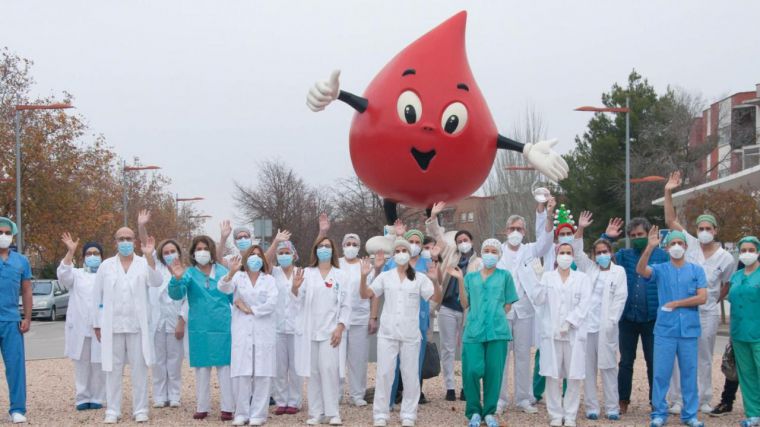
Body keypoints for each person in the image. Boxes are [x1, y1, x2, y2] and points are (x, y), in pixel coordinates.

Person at [663, 171, 736, 414]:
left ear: (715, 230)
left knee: (703, 357)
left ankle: (704, 399)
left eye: (708, 228)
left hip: (707, 312)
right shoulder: (690, 244)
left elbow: (727, 283)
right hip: (685, 309)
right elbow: (671, 221)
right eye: (700, 227)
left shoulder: (725, 257)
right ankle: (678, 399)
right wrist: (668, 192)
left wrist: (715, 298)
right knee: (679, 355)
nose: (704, 231)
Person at [360, 239, 442, 427]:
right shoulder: (385, 276)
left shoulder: (420, 278)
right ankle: (380, 414)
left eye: (404, 249)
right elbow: (365, 294)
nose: (401, 252)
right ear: (393, 254)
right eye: (397, 250)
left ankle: (408, 414)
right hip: (387, 334)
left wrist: (436, 281)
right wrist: (365, 276)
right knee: (384, 374)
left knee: (410, 374)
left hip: (411, 334)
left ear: (410, 252)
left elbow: (436, 298)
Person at [636, 227, 707, 427]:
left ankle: (690, 414)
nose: (677, 247)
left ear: (686, 246)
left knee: (689, 372)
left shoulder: (696, 270)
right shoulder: (660, 269)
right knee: (661, 372)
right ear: (666, 248)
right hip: (665, 330)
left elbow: (702, 297)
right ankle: (659, 413)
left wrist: (677, 303)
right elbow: (641, 270)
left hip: (689, 330)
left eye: (680, 243)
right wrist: (650, 247)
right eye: (673, 244)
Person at [93, 226, 163, 424]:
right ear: (115, 242)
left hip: (137, 327)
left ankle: (140, 409)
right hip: (112, 326)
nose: (125, 242)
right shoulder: (106, 266)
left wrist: (150, 256)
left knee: (139, 369)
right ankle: (113, 410)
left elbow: (156, 281)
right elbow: (96, 296)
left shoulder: (143, 263)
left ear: (134, 242)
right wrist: (96, 324)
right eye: (121, 239)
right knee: (112, 370)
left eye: (128, 238)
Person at [602, 216, 669, 414]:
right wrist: (608, 237)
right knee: (625, 362)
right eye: (633, 235)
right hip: (628, 318)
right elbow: (602, 256)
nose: (637, 238)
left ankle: (655, 401)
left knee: (653, 361)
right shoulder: (624, 255)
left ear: (648, 234)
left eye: (640, 234)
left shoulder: (662, 257)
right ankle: (622, 400)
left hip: (652, 318)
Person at [449, 238, 518, 427]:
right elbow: (464, 304)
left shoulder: (505, 276)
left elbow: (509, 303)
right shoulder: (471, 278)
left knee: (494, 373)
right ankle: (473, 412)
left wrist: (495, 316)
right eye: (486, 250)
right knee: (472, 370)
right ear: (481, 252)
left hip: (497, 332)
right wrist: (461, 280)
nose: (489, 254)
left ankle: (489, 412)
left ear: (498, 255)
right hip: (474, 330)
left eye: (493, 251)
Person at [496, 197, 556, 414]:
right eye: (512, 228)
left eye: (519, 228)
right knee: (501, 357)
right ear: (505, 231)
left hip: (524, 311)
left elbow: (546, 241)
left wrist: (547, 213)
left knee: (522, 356)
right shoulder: (497, 251)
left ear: (524, 231)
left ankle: (523, 398)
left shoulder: (530, 250)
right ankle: (499, 399)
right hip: (502, 312)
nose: (515, 232)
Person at [167, 235, 234, 421]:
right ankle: (202, 406)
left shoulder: (222, 271)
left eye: (205, 248)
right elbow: (176, 294)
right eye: (198, 249)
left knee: (224, 367)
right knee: (202, 368)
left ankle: (228, 407)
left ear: (211, 251)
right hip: (199, 327)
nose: (201, 252)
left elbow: (233, 297)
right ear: (193, 253)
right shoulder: (188, 273)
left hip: (221, 326)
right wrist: (176, 278)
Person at [573, 212, 628, 420]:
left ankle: (612, 407)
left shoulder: (619, 272)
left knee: (609, 368)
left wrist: (612, 322)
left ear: (610, 253)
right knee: (588, 370)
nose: (602, 255)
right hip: (587, 328)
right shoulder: (589, 268)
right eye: (599, 252)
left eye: (605, 251)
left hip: (606, 328)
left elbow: (620, 298)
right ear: (594, 255)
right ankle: (591, 407)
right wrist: (581, 228)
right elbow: (577, 252)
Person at [425, 202, 482, 402]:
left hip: (468, 311)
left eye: (465, 239)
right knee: (448, 348)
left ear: (472, 241)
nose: (462, 242)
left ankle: (467, 386)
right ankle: (449, 386)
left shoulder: (479, 263)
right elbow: (437, 236)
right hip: (448, 307)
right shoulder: (451, 253)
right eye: (459, 240)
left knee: (467, 349)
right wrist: (433, 217)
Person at [291, 237, 351, 426]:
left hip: (331, 332)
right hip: (310, 331)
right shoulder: (307, 273)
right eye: (321, 246)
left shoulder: (341, 276)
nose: (324, 249)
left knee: (329, 371)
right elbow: (297, 301)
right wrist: (295, 287)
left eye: (327, 246)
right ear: (315, 250)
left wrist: (340, 327)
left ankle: (332, 413)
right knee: (314, 372)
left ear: (333, 251)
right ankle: (316, 413)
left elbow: (347, 305)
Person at [534, 242, 593, 427]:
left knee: (573, 376)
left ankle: (570, 415)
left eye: (568, 252)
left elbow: (585, 304)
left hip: (573, 335)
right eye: (562, 252)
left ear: (573, 256)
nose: (565, 256)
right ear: (556, 255)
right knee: (551, 376)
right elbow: (539, 299)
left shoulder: (582, 278)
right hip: (551, 334)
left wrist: (570, 321)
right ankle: (555, 414)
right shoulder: (548, 277)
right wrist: (537, 278)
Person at [219, 246, 278, 426]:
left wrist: (249, 309)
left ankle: (258, 415)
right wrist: (231, 272)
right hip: (242, 330)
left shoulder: (269, 280)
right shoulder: (238, 277)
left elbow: (272, 303)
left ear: (263, 261)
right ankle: (241, 413)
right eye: (252, 255)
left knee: (262, 373)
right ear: (246, 258)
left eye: (259, 256)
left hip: (263, 330)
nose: (255, 259)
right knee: (241, 373)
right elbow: (223, 288)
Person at [137, 211, 186, 409]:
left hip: (175, 322)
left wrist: (182, 320)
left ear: (178, 253)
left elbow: (187, 300)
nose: (169, 255)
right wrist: (141, 226)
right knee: (157, 362)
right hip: (157, 322)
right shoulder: (155, 266)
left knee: (174, 362)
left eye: (172, 251)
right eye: (165, 252)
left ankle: (174, 395)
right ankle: (159, 395)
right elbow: (146, 248)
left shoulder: (185, 271)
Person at [57, 232, 106, 411]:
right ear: (83, 257)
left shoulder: (106, 274)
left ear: (102, 256)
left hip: (100, 326)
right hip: (80, 326)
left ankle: (98, 397)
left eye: (96, 253)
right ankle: (82, 397)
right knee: (82, 363)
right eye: (88, 254)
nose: (92, 257)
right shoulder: (76, 274)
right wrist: (70, 252)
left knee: (99, 363)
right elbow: (63, 275)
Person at [265, 234, 304, 415]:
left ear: (294, 255)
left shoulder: (302, 273)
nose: (283, 255)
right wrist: (275, 243)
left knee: (296, 367)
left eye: (287, 252)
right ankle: (281, 400)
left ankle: (294, 401)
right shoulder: (274, 272)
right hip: (277, 327)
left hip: (297, 328)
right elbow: (265, 261)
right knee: (279, 367)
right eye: (281, 252)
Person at [0, 217, 32, 424]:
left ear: (12, 236)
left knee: (15, 366)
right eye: (0, 232)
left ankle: (17, 409)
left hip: (11, 321)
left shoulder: (21, 261)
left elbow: (27, 290)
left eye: (6, 233)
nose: (3, 236)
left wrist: (27, 317)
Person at [727, 236, 760, 427]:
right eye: (743, 250)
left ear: (758, 252)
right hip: (739, 334)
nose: (747, 253)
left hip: (758, 333)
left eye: (751, 249)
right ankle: (753, 414)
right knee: (747, 376)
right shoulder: (736, 276)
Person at [338, 233, 373, 407]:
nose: (351, 246)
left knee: (358, 358)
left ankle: (357, 394)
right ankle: (335, 393)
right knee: (337, 357)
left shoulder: (366, 265)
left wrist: (373, 317)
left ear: (359, 247)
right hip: (338, 319)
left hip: (360, 317)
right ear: (343, 246)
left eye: (354, 244)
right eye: (348, 243)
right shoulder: (336, 263)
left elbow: (373, 293)